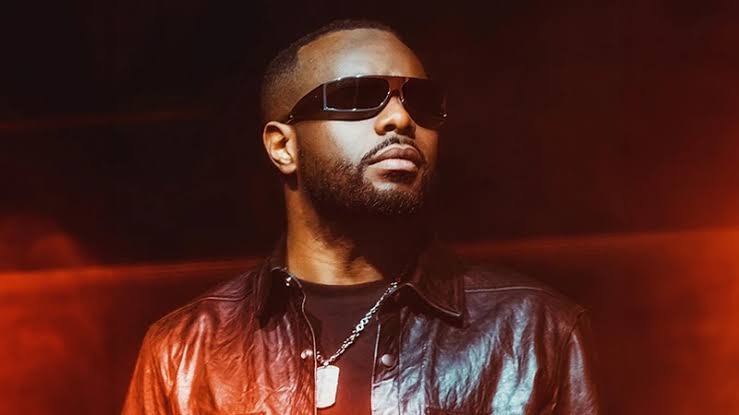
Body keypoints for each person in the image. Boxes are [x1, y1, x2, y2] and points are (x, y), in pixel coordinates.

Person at [122, 19, 600, 415]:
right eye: (357, 96)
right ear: (283, 146)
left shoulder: (538, 331)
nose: (400, 119)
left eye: (421, 101)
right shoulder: (183, 352)